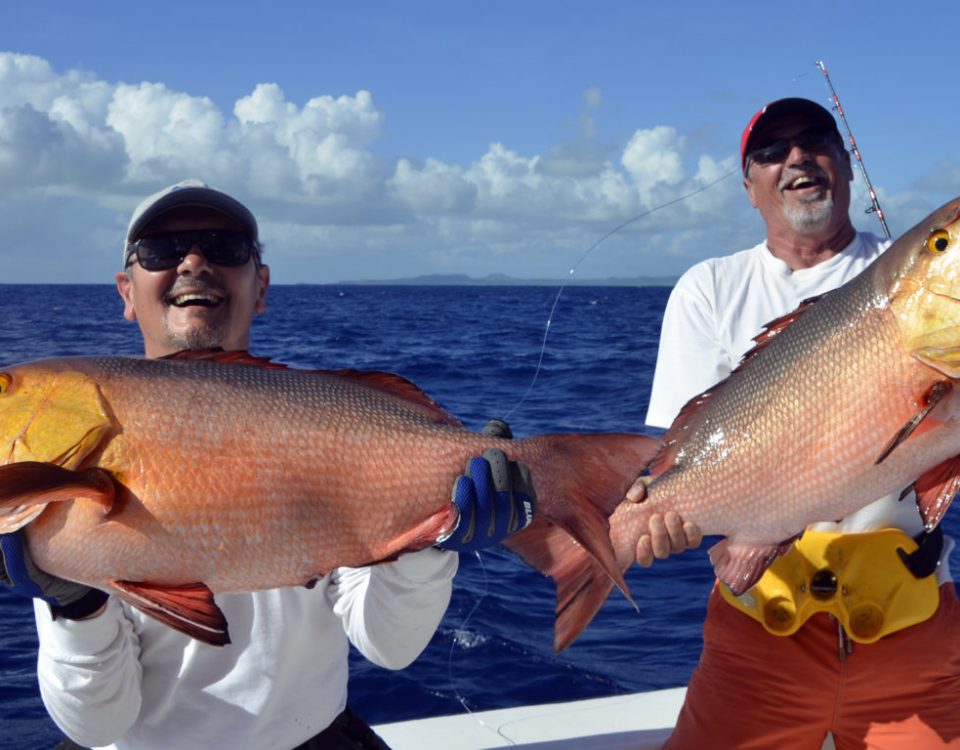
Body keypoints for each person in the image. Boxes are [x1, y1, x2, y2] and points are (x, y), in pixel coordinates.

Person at [0, 179, 536, 750]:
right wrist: (77, 604)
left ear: (261, 285)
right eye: (160, 250)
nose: (194, 261)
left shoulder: (320, 419)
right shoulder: (52, 494)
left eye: (225, 246)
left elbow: (389, 646)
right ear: (126, 290)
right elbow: (95, 727)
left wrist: (428, 548)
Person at [642, 98, 960, 749]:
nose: (796, 158)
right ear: (749, 183)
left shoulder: (898, 276)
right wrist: (657, 516)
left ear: (845, 163)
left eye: (815, 139)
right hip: (757, 637)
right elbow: (677, 456)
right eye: (771, 151)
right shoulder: (710, 289)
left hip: (913, 628)